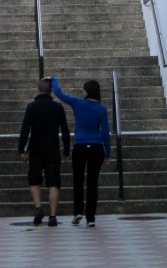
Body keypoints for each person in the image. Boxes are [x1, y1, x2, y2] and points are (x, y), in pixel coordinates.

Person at [50, 76, 111, 227]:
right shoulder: (102, 109)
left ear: (87, 92)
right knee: (92, 183)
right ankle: (91, 218)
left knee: (78, 180)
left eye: (84, 89)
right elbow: (105, 132)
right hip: (96, 147)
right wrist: (108, 152)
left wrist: (53, 79)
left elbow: (59, 93)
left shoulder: (78, 103)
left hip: (80, 146)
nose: (82, 91)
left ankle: (78, 212)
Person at [18, 77, 70, 226]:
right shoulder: (57, 108)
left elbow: (25, 130)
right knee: (54, 182)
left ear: (38, 89)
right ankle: (52, 216)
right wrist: (66, 150)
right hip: (52, 148)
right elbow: (65, 131)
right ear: (51, 91)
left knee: (34, 180)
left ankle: (38, 207)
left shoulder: (32, 107)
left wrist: (22, 149)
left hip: (35, 148)